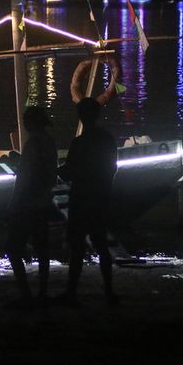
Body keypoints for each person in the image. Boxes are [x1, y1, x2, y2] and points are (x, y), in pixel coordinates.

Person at [57, 98, 118, 305]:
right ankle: (109, 291)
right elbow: (112, 168)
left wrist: (54, 171)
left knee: (77, 248)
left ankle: (72, 292)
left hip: (81, 199)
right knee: (102, 246)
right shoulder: (108, 140)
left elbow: (68, 173)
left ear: (81, 117)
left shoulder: (79, 143)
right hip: (101, 197)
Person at [5, 106, 59, 307]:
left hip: (26, 204)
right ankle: (42, 293)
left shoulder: (33, 144)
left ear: (31, 124)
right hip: (43, 202)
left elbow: (25, 178)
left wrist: (13, 203)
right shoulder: (49, 143)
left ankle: (26, 294)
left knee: (13, 248)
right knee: (42, 249)